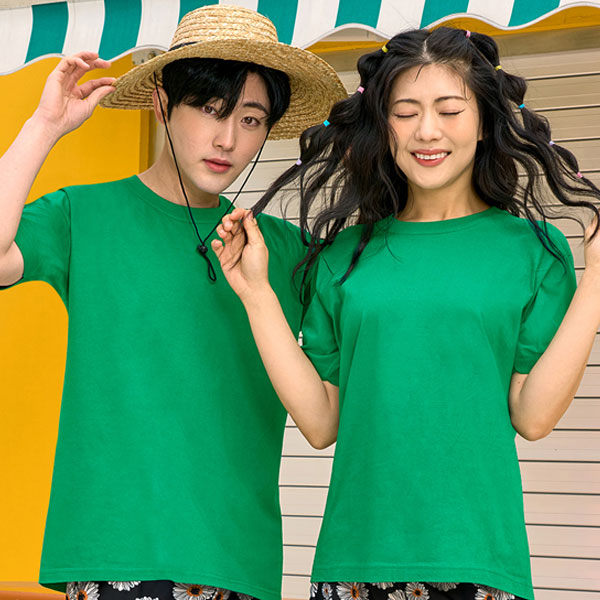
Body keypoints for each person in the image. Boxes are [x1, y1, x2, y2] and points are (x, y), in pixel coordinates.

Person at [212, 26, 600, 600]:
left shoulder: (533, 251)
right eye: (405, 112)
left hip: (480, 563)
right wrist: (257, 295)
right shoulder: (345, 256)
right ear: (382, 124)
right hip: (354, 564)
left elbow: (533, 416)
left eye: (450, 110)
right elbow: (320, 423)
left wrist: (595, 285)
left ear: (484, 122)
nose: (427, 131)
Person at [0, 5, 345, 600]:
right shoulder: (84, 216)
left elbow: (335, 400)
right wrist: (44, 126)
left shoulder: (285, 253)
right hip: (115, 550)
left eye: (251, 119)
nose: (228, 139)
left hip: (237, 560)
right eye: (209, 109)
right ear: (163, 102)